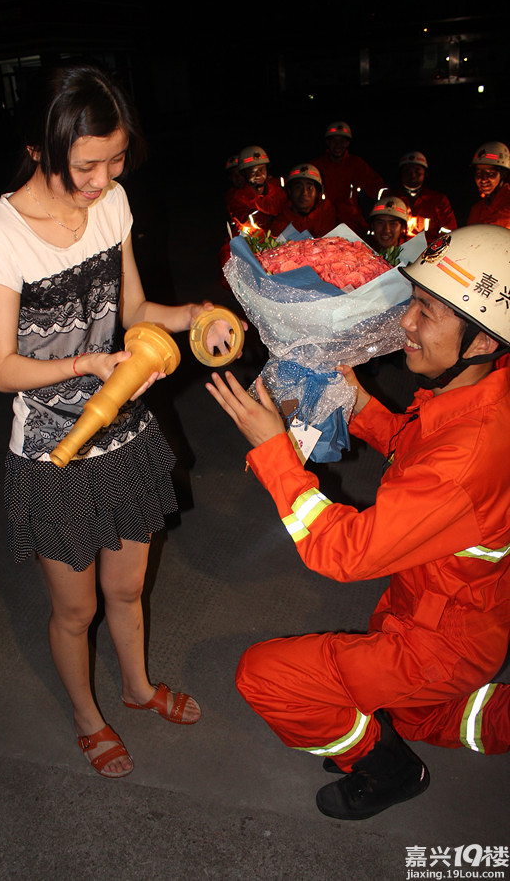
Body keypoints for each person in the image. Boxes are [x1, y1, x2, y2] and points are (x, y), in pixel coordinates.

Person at [0, 60, 217, 780]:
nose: (103, 179)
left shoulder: (112, 205)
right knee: (75, 611)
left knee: (129, 589)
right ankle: (86, 713)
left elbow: (135, 310)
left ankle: (136, 689)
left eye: (114, 160)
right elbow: (0, 367)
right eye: (87, 165)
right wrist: (85, 365)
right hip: (55, 452)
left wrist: (190, 316)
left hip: (127, 434)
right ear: (39, 149)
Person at [206, 225, 510, 820]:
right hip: (444, 614)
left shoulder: (470, 451)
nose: (406, 325)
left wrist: (274, 452)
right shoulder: (481, 400)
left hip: (441, 640)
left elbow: (344, 552)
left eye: (426, 312)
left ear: (478, 343)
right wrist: (358, 399)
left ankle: (386, 766)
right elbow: (416, 448)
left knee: (267, 678)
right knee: (426, 713)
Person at [312, 121, 383, 236]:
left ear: (348, 143)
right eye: (334, 141)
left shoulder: (356, 164)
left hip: (350, 221)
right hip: (322, 219)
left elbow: (376, 184)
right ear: (327, 142)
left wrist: (392, 198)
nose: (338, 145)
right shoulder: (317, 166)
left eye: (342, 141)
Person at [390, 151, 457, 243]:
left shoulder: (438, 200)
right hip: (394, 254)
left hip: (428, 254)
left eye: (417, 171)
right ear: (401, 174)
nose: (412, 175)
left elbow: (450, 232)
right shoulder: (391, 199)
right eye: (407, 171)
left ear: (425, 174)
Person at [227, 145, 286, 233]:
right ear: (244, 174)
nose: (258, 175)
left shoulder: (277, 190)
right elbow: (249, 219)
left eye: (261, 169)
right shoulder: (238, 198)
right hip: (255, 241)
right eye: (252, 172)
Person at [270, 164, 337, 238]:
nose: (304, 193)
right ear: (290, 191)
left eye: (309, 188)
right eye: (298, 187)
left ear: (317, 193)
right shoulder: (280, 216)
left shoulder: (325, 210)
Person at [467, 141, 510, 229]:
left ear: (503, 175)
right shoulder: (476, 210)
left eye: (491, 173)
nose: (483, 179)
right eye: (479, 174)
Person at [367, 194, 408, 264]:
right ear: (373, 225)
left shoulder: (410, 262)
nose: (386, 229)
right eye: (380, 222)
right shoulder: (361, 256)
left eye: (393, 223)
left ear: (402, 228)